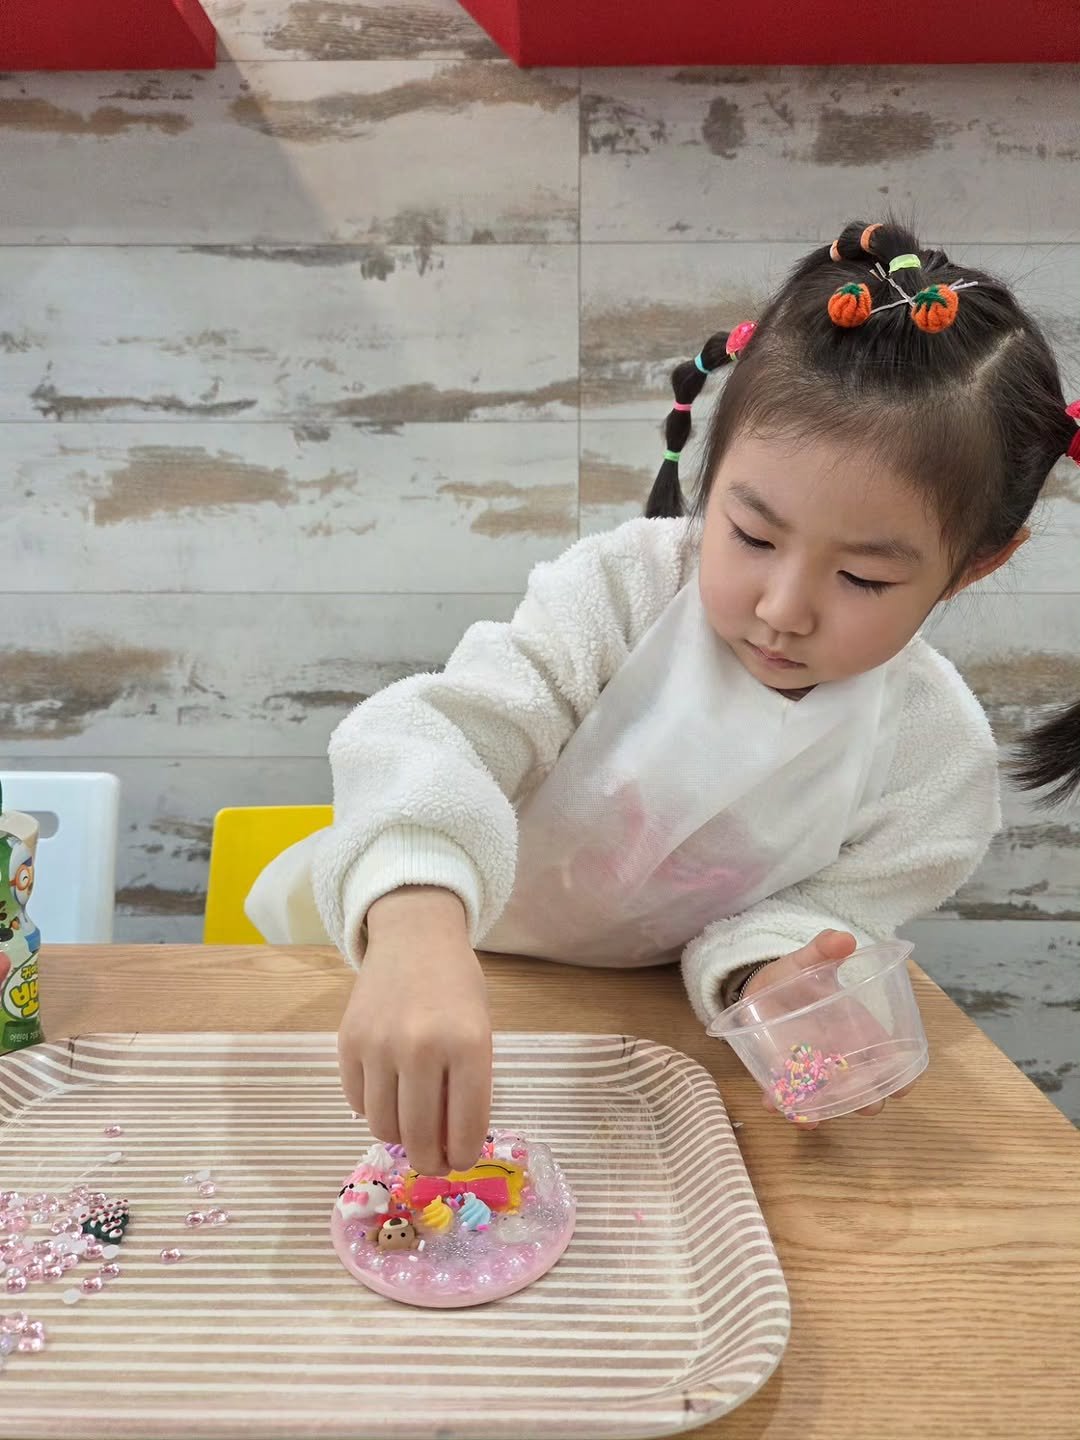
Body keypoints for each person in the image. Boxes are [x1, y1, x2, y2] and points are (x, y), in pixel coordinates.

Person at [248, 217, 1080, 1177]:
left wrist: (779, 982)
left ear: (978, 564)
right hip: (398, 958)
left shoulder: (934, 764)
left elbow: (813, 916)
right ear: (710, 470)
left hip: (630, 1040)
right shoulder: (622, 593)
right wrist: (417, 927)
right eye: (753, 537)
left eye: (863, 580)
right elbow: (439, 736)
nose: (782, 609)